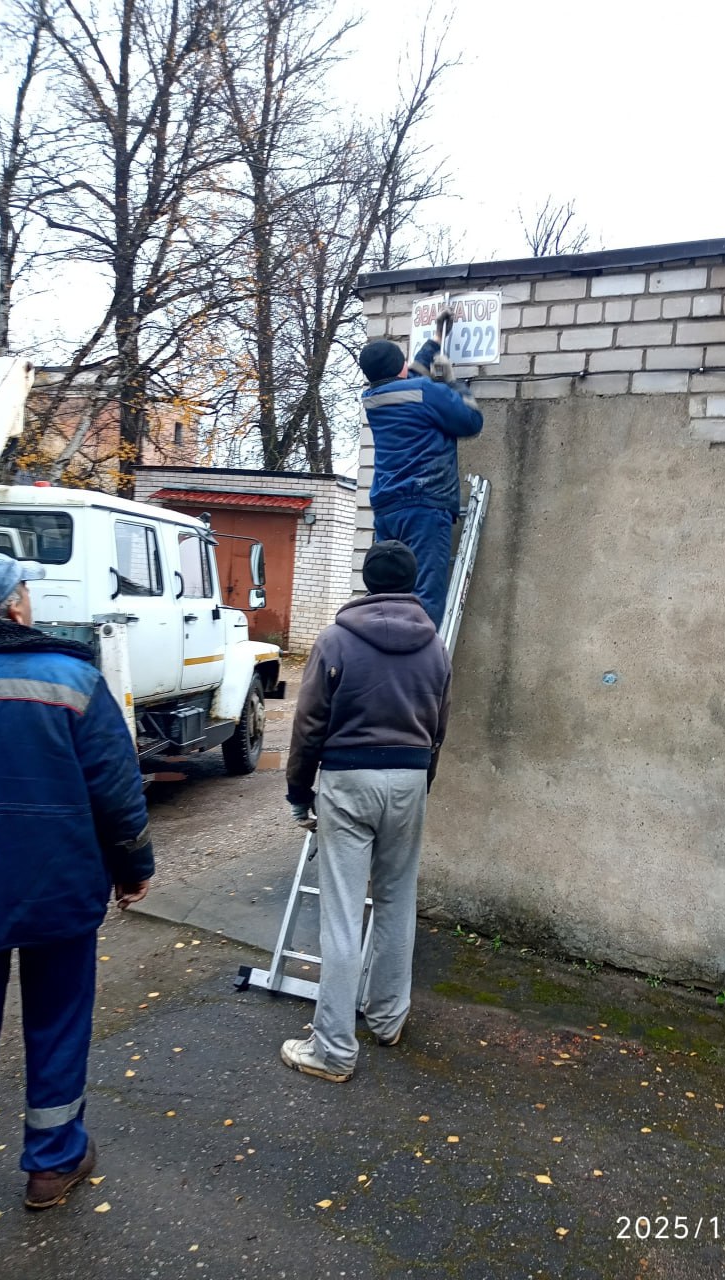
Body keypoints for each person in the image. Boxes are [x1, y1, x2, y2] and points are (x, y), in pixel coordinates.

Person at [0, 550, 153, 1210]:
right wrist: (134, 868)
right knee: (57, 1021)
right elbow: (115, 789)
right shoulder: (71, 680)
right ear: (15, 607)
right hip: (59, 886)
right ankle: (51, 1165)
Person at [281, 540, 451, 1082]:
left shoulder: (335, 639)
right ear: (411, 582)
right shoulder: (435, 647)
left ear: (368, 580)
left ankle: (332, 1050)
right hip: (408, 777)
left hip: (349, 779)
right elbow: (439, 728)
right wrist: (420, 780)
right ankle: (387, 1018)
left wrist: (298, 791)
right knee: (399, 904)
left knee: (341, 914)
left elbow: (308, 724)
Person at [359, 308, 484, 630]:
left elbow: (412, 375)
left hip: (388, 507)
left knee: (388, 593)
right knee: (425, 597)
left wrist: (437, 340)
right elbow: (471, 422)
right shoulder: (428, 393)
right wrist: (455, 383)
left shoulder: (374, 398)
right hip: (424, 505)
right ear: (399, 367)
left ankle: (383, 655)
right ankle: (418, 666)